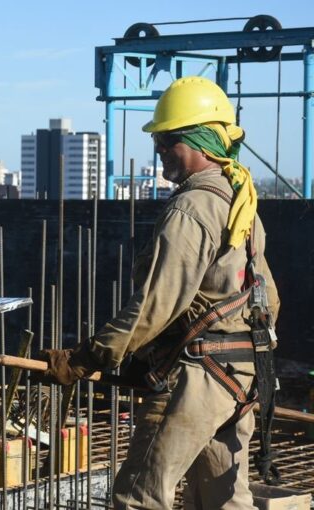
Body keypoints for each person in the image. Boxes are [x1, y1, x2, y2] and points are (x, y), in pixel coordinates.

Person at [35, 76, 280, 509]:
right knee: (222, 501)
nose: (160, 149)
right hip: (241, 375)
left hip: (199, 378)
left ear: (201, 140)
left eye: (169, 140)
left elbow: (155, 305)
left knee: (138, 498)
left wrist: (87, 357)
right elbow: (268, 301)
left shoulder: (192, 208)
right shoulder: (239, 199)